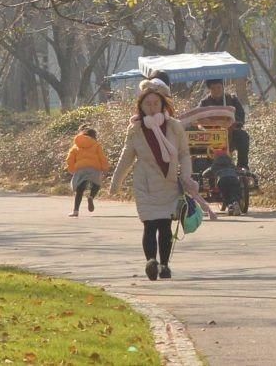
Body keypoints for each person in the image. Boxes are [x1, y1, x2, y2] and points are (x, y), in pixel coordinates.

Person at [110, 77, 197, 280]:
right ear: (140, 106)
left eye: (155, 103)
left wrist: (186, 176)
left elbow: (184, 153)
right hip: (145, 183)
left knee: (165, 226)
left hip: (169, 183)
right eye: (147, 104)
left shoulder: (174, 126)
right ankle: (151, 261)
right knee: (150, 224)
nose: (151, 107)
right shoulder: (135, 130)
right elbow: (127, 157)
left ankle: (164, 265)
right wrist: (116, 182)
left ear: (162, 104)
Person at [203, 77, 250, 172]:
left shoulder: (232, 99)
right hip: (211, 136)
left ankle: (242, 165)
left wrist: (231, 122)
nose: (217, 91)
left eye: (219, 87)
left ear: (223, 87)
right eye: (213, 88)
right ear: (209, 89)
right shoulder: (204, 103)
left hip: (231, 134)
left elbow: (241, 116)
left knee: (243, 136)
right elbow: (200, 119)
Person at [65, 125, 111, 217]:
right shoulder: (96, 145)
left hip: (81, 168)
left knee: (80, 189)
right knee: (96, 184)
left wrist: (72, 169)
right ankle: (91, 196)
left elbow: (69, 159)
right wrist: (105, 168)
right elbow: (102, 157)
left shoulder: (76, 145)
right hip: (94, 168)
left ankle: (75, 211)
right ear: (94, 136)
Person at [207, 147, 246, 213]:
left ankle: (230, 206)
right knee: (235, 191)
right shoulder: (231, 164)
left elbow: (207, 173)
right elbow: (237, 170)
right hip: (233, 178)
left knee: (225, 193)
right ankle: (235, 202)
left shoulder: (215, 165)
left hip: (222, 179)